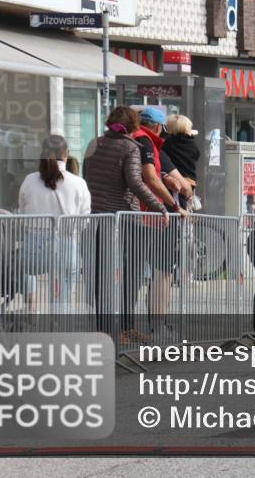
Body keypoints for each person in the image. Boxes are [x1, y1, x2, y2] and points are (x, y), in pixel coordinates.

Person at [83, 106, 169, 344]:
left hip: (97, 218)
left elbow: (87, 176)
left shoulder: (94, 143)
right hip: (125, 219)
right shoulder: (131, 147)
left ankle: (102, 330)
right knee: (131, 274)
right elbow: (136, 183)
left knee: (101, 276)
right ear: (133, 126)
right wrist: (160, 206)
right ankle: (125, 329)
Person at [132, 107, 189, 338]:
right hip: (154, 218)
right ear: (157, 127)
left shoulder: (131, 140)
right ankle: (158, 326)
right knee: (162, 273)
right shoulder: (148, 143)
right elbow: (153, 178)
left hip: (136, 216)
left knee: (136, 275)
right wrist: (175, 206)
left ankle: (132, 329)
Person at [19, 134, 91, 312]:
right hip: (65, 243)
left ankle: (32, 306)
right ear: (66, 153)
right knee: (66, 284)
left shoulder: (29, 180)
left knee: (24, 268)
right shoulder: (78, 183)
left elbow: (22, 211)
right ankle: (60, 321)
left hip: (34, 245)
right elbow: (84, 219)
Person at [163, 114, 200, 210]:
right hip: (190, 181)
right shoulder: (192, 143)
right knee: (186, 209)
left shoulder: (168, 143)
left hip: (175, 182)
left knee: (176, 210)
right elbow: (196, 156)